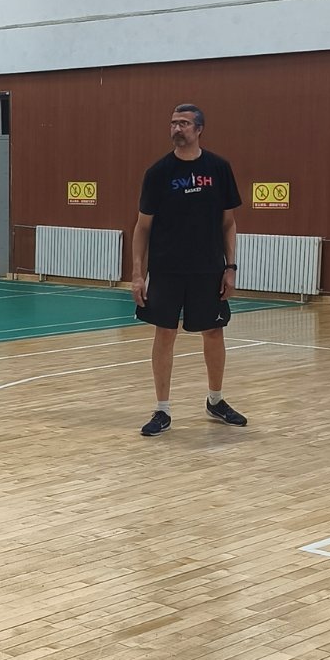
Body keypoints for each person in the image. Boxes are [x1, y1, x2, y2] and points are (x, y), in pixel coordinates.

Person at [131, 103, 247, 436]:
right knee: (164, 333)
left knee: (213, 332)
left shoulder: (219, 168)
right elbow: (142, 228)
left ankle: (215, 400)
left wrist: (230, 267)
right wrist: (139, 274)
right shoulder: (158, 173)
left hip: (208, 269)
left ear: (199, 129)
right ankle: (162, 410)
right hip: (167, 269)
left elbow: (229, 223)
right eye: (172, 123)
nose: (176, 128)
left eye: (183, 123)